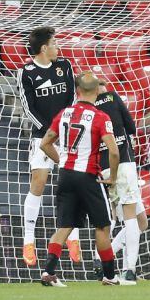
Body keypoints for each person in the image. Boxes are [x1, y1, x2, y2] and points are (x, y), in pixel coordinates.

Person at [38, 72, 126, 287]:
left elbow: (45, 143)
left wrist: (64, 161)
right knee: (103, 226)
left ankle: (48, 273)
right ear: (97, 91)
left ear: (77, 91)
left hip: (66, 175)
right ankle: (109, 276)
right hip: (88, 177)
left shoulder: (64, 113)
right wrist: (112, 177)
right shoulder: (100, 117)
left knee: (65, 226)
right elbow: (114, 152)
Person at [17, 27, 79, 267]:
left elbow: (72, 97)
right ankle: (28, 240)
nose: (58, 47)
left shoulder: (64, 65)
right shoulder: (26, 72)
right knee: (39, 183)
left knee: (71, 182)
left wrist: (64, 125)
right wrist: (48, 131)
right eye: (54, 43)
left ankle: (72, 236)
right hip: (42, 137)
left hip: (68, 133)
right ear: (44, 48)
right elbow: (27, 107)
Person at [92, 82, 148, 283]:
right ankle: (130, 269)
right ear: (99, 88)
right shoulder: (113, 97)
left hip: (104, 166)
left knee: (142, 221)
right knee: (131, 218)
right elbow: (131, 127)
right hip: (123, 163)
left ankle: (102, 257)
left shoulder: (88, 109)